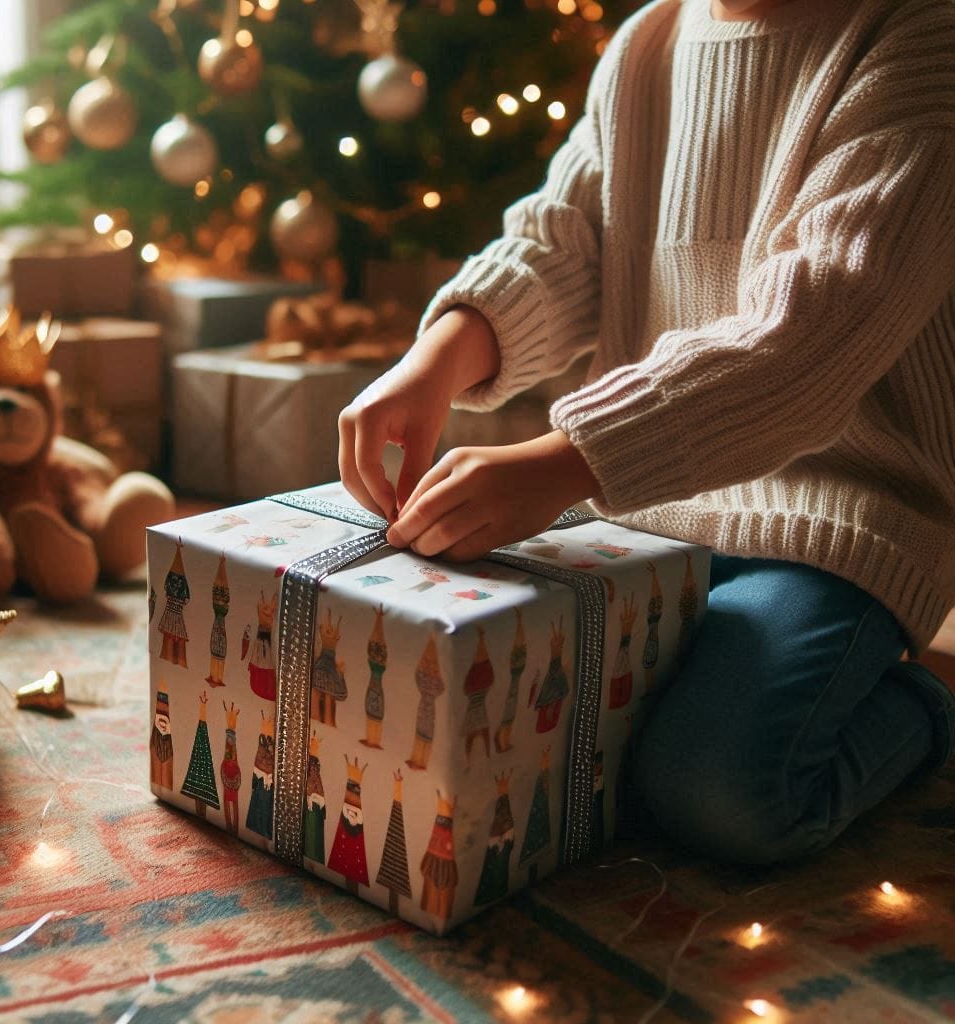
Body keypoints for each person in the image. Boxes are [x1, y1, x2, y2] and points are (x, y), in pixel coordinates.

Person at [337, 0, 955, 865]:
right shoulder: (648, 42)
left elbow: (810, 335)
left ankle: (923, 709)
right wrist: (436, 357)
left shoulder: (921, 35)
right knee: (509, 723)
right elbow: (563, 242)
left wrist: (566, 460)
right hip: (640, 508)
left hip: (832, 517)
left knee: (723, 792)